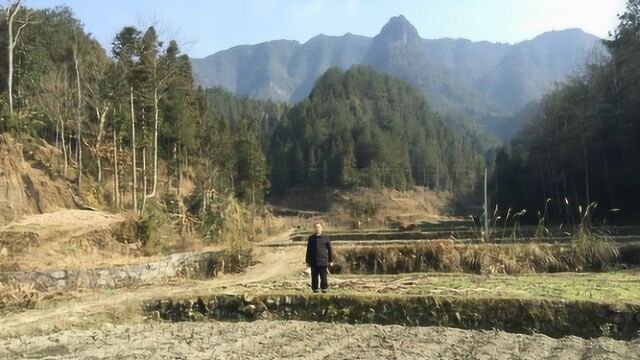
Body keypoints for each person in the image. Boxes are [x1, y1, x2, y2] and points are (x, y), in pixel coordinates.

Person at [305, 221, 333, 293]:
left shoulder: (326, 238)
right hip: (313, 260)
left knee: (323, 276)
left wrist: (331, 260)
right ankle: (315, 289)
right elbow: (308, 250)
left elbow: (330, 250)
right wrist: (307, 261)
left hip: (323, 260)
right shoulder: (311, 238)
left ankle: (324, 288)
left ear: (321, 228)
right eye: (316, 227)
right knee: (314, 276)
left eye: (319, 227)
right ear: (314, 228)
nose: (317, 229)